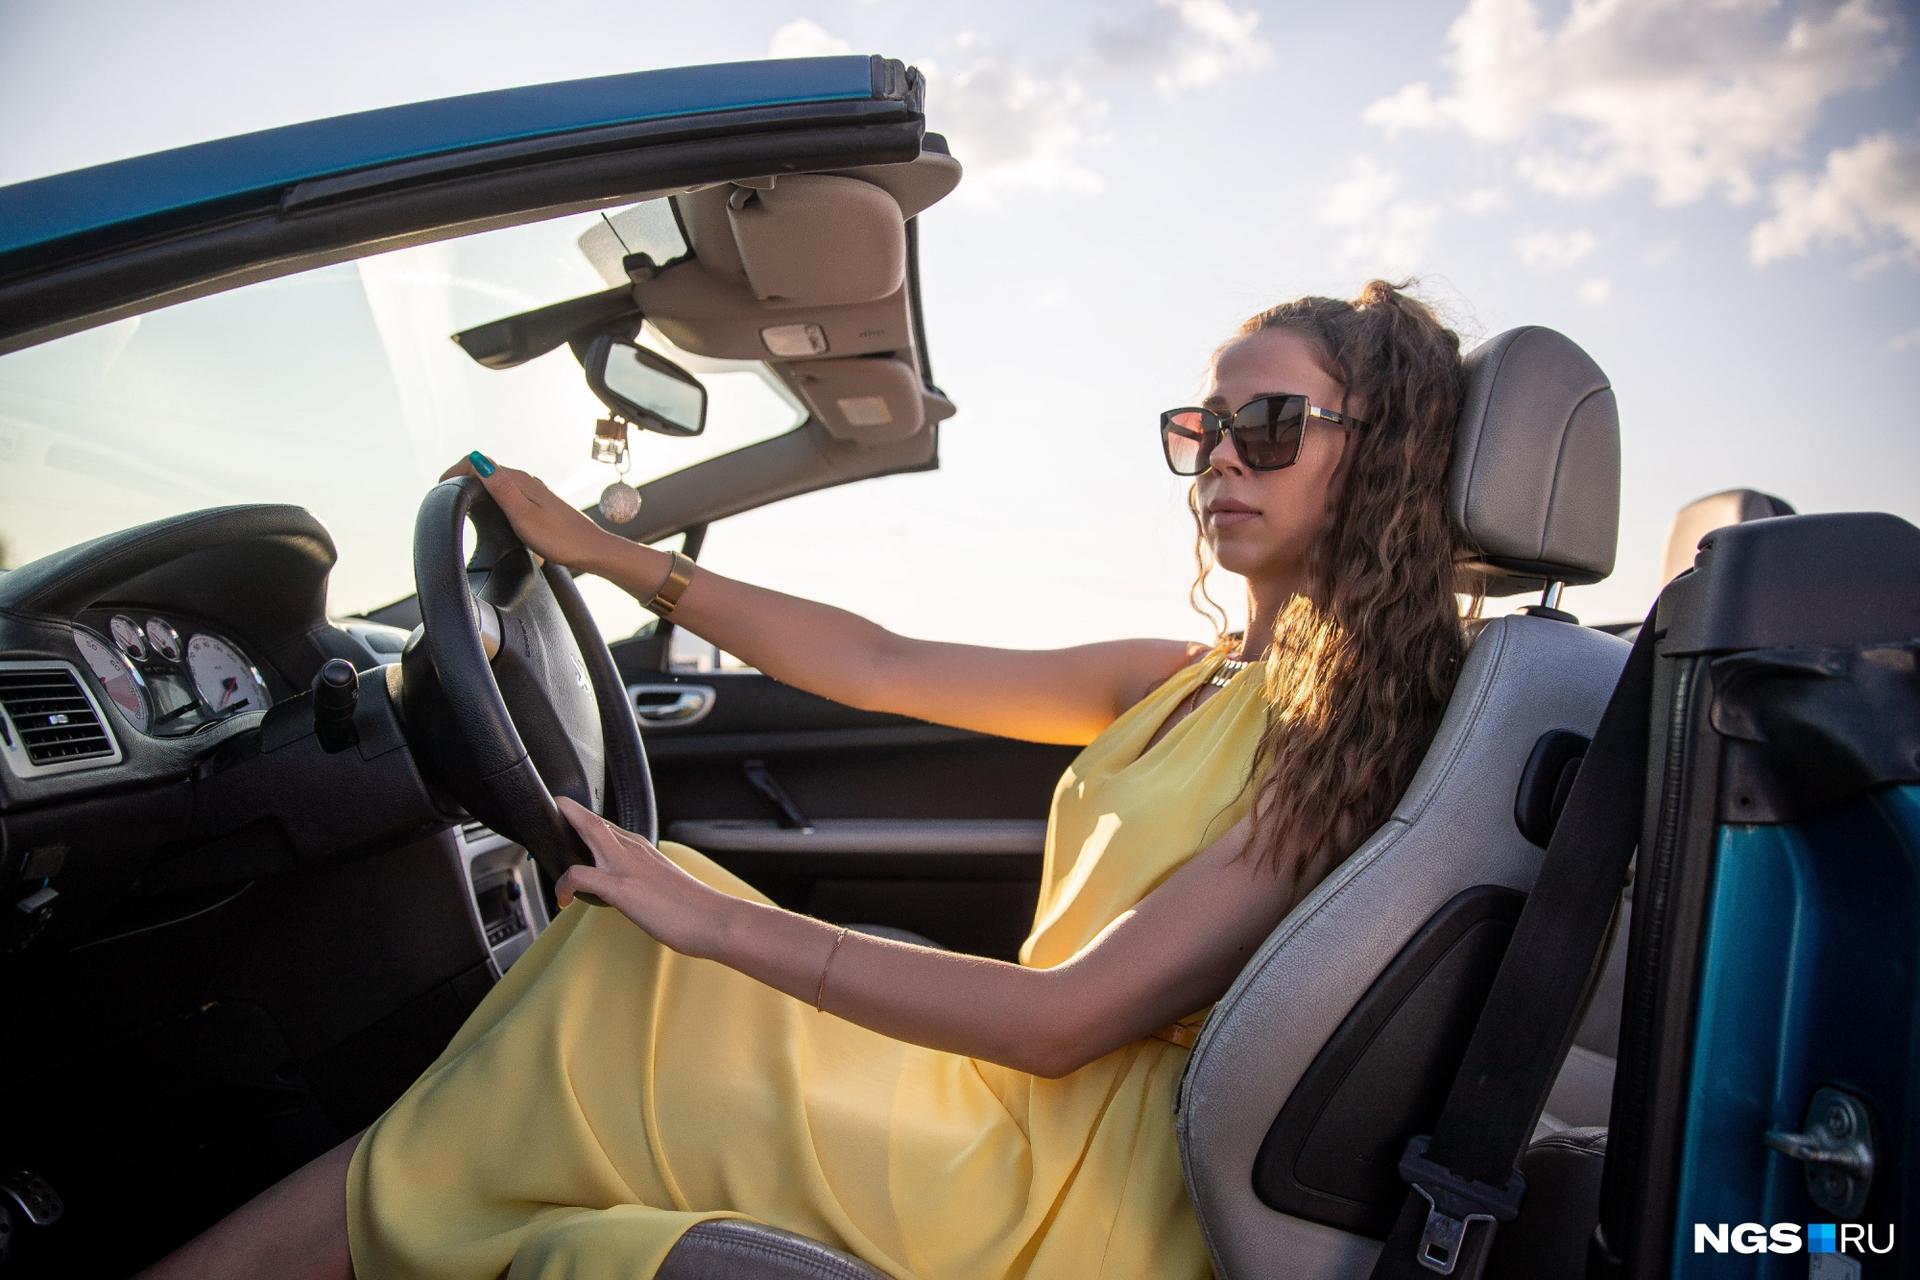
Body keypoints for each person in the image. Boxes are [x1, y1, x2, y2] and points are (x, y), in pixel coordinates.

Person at [137, 277, 1485, 1280]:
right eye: (1205, 427)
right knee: (625, 961)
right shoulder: (1189, 677)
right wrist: (611, 558)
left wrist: (715, 922)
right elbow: (877, 661)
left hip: (1074, 1192)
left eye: (1271, 424)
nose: (1222, 457)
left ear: (1386, 454)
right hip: (1023, 1117)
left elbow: (1063, 1020)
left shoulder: (1345, 741)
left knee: (636, 967)